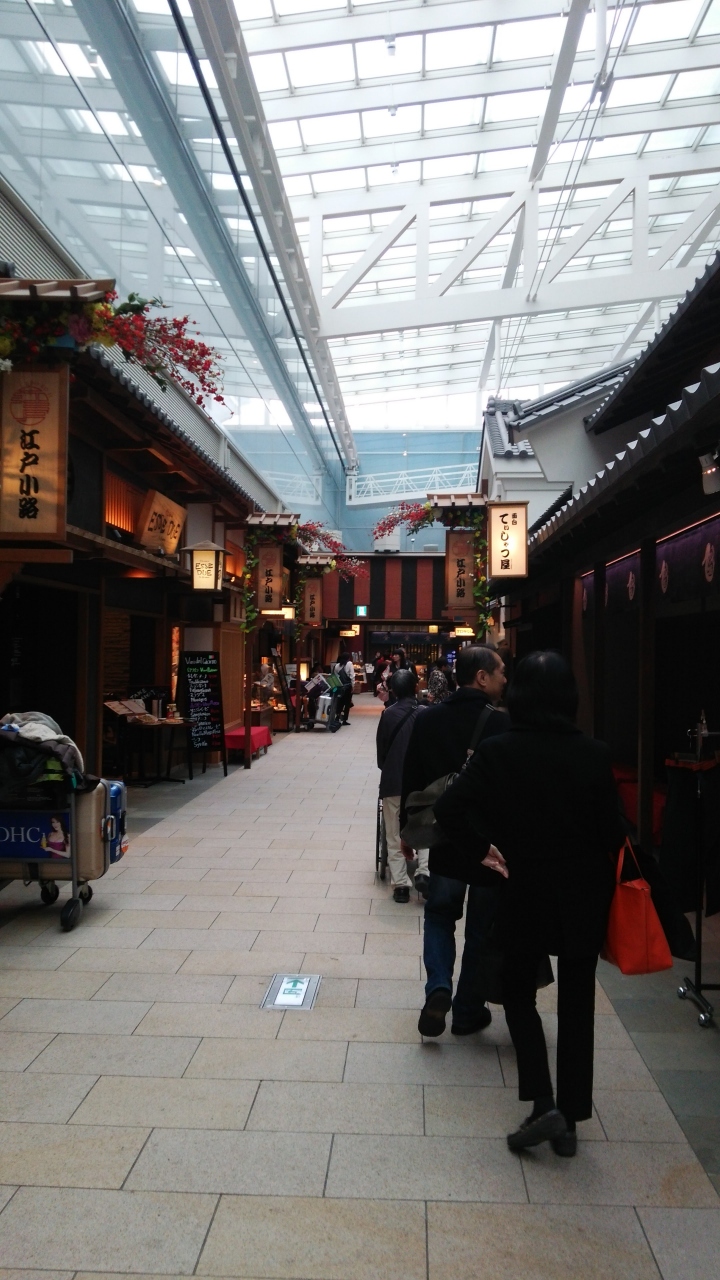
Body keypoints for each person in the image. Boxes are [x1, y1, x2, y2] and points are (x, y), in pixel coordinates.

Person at [435, 651, 624, 1157]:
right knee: (578, 1002)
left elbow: (449, 808)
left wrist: (483, 849)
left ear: (517, 695)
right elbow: (613, 832)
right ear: (569, 697)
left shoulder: (499, 751)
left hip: (523, 891)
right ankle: (571, 1122)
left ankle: (543, 1101)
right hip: (583, 895)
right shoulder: (594, 754)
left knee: (517, 991)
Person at [401, 646, 508, 1036]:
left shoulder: (428, 718)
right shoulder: (501, 723)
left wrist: (406, 830)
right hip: (489, 845)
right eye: (500, 671)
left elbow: (411, 775)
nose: (504, 678)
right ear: (481, 677)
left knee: (440, 915)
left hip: (444, 838)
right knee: (480, 929)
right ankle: (467, 1011)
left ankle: (438, 987)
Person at [377, 669, 429, 903]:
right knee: (425, 826)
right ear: (416, 687)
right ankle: (424, 872)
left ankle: (400, 885)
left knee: (393, 833)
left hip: (393, 782)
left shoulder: (387, 715)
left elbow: (381, 754)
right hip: (422, 784)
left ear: (393, 692)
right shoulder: (426, 713)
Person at [333, 651, 355, 725]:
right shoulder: (349, 664)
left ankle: (337, 717)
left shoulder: (337, 666)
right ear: (348, 658)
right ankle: (344, 719)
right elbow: (352, 676)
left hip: (339, 687)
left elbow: (335, 676)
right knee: (347, 703)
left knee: (340, 702)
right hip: (348, 687)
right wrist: (353, 686)